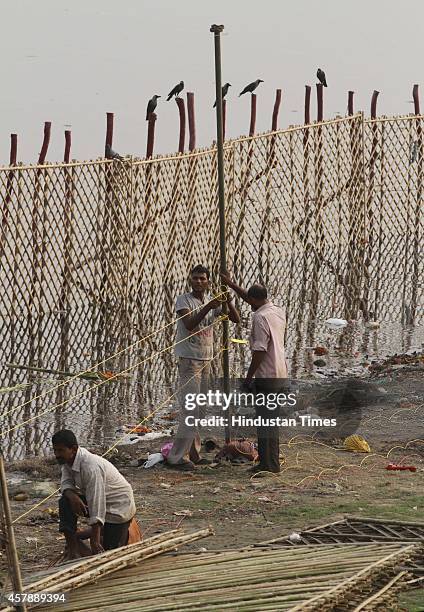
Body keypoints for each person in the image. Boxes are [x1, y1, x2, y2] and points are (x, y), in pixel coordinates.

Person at [166, 264, 240, 471]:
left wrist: (227, 299)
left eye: (203, 279)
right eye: (195, 278)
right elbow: (190, 324)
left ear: (208, 282)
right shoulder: (184, 300)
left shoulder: (210, 300)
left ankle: (194, 453)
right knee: (190, 408)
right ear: (190, 280)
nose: (199, 282)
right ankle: (177, 457)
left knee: (199, 409)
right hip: (189, 360)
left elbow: (235, 318)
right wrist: (209, 307)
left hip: (206, 359)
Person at [221, 273, 288, 473]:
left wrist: (248, 378)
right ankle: (270, 462)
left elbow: (260, 350)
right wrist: (232, 285)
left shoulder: (259, 317)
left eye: (249, 301)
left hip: (266, 375)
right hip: (280, 372)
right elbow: (251, 298)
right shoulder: (277, 310)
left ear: (253, 301)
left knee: (265, 422)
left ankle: (268, 465)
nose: (248, 304)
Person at [52, 429, 137, 559]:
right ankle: (73, 548)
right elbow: (66, 482)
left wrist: (95, 540)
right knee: (65, 501)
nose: (57, 454)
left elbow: (97, 502)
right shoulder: (67, 461)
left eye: (61, 450)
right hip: (100, 502)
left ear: (73, 449)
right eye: (55, 450)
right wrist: (72, 495)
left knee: (108, 555)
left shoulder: (90, 467)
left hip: (118, 508)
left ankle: (91, 536)